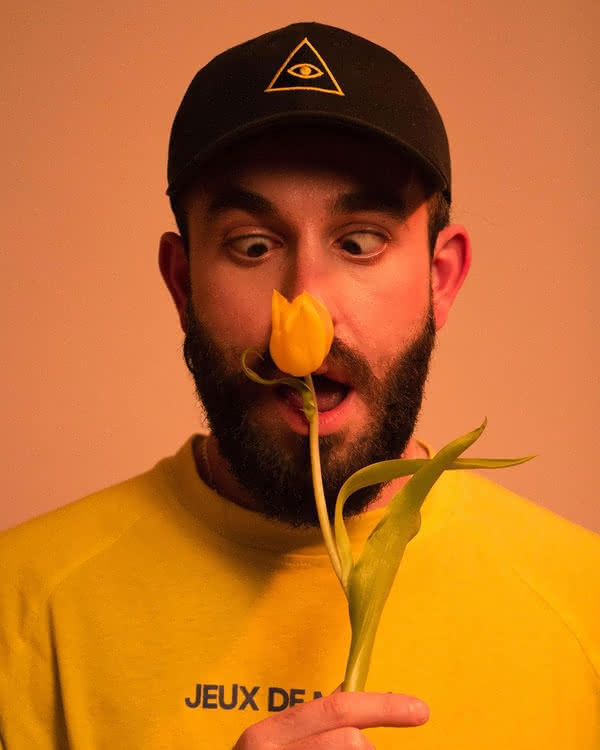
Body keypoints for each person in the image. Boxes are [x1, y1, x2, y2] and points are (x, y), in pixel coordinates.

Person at [1, 21, 598, 750]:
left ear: (441, 279)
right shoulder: (21, 604)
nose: (307, 300)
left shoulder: (584, 604)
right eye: (253, 246)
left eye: (360, 243)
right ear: (183, 282)